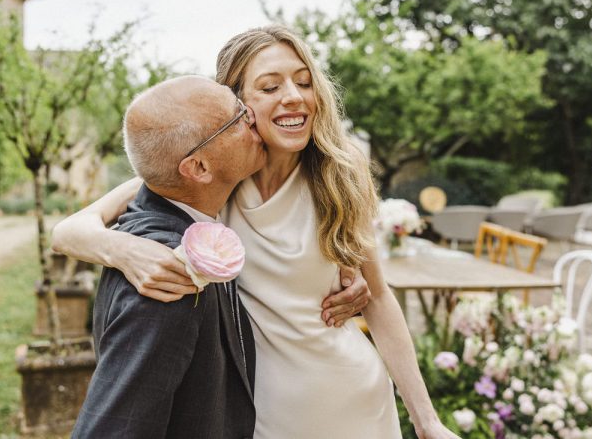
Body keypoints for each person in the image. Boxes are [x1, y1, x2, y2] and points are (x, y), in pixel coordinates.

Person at [54, 26, 459, 439]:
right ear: (239, 104)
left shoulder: (340, 172)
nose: (294, 96)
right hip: (256, 418)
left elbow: (377, 296)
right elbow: (69, 231)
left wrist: (427, 422)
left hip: (353, 402)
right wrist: (123, 250)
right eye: (269, 87)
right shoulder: (215, 178)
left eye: (304, 81)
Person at [71, 76, 265, 438]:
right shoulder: (166, 275)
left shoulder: (172, 207)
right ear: (199, 168)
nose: (251, 115)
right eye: (237, 117)